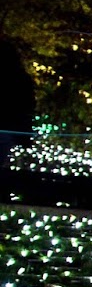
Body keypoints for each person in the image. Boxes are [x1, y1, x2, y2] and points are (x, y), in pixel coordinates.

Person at [0, 39, 35, 197]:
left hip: (8, 127)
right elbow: (28, 105)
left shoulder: (19, 79)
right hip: (9, 128)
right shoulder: (21, 78)